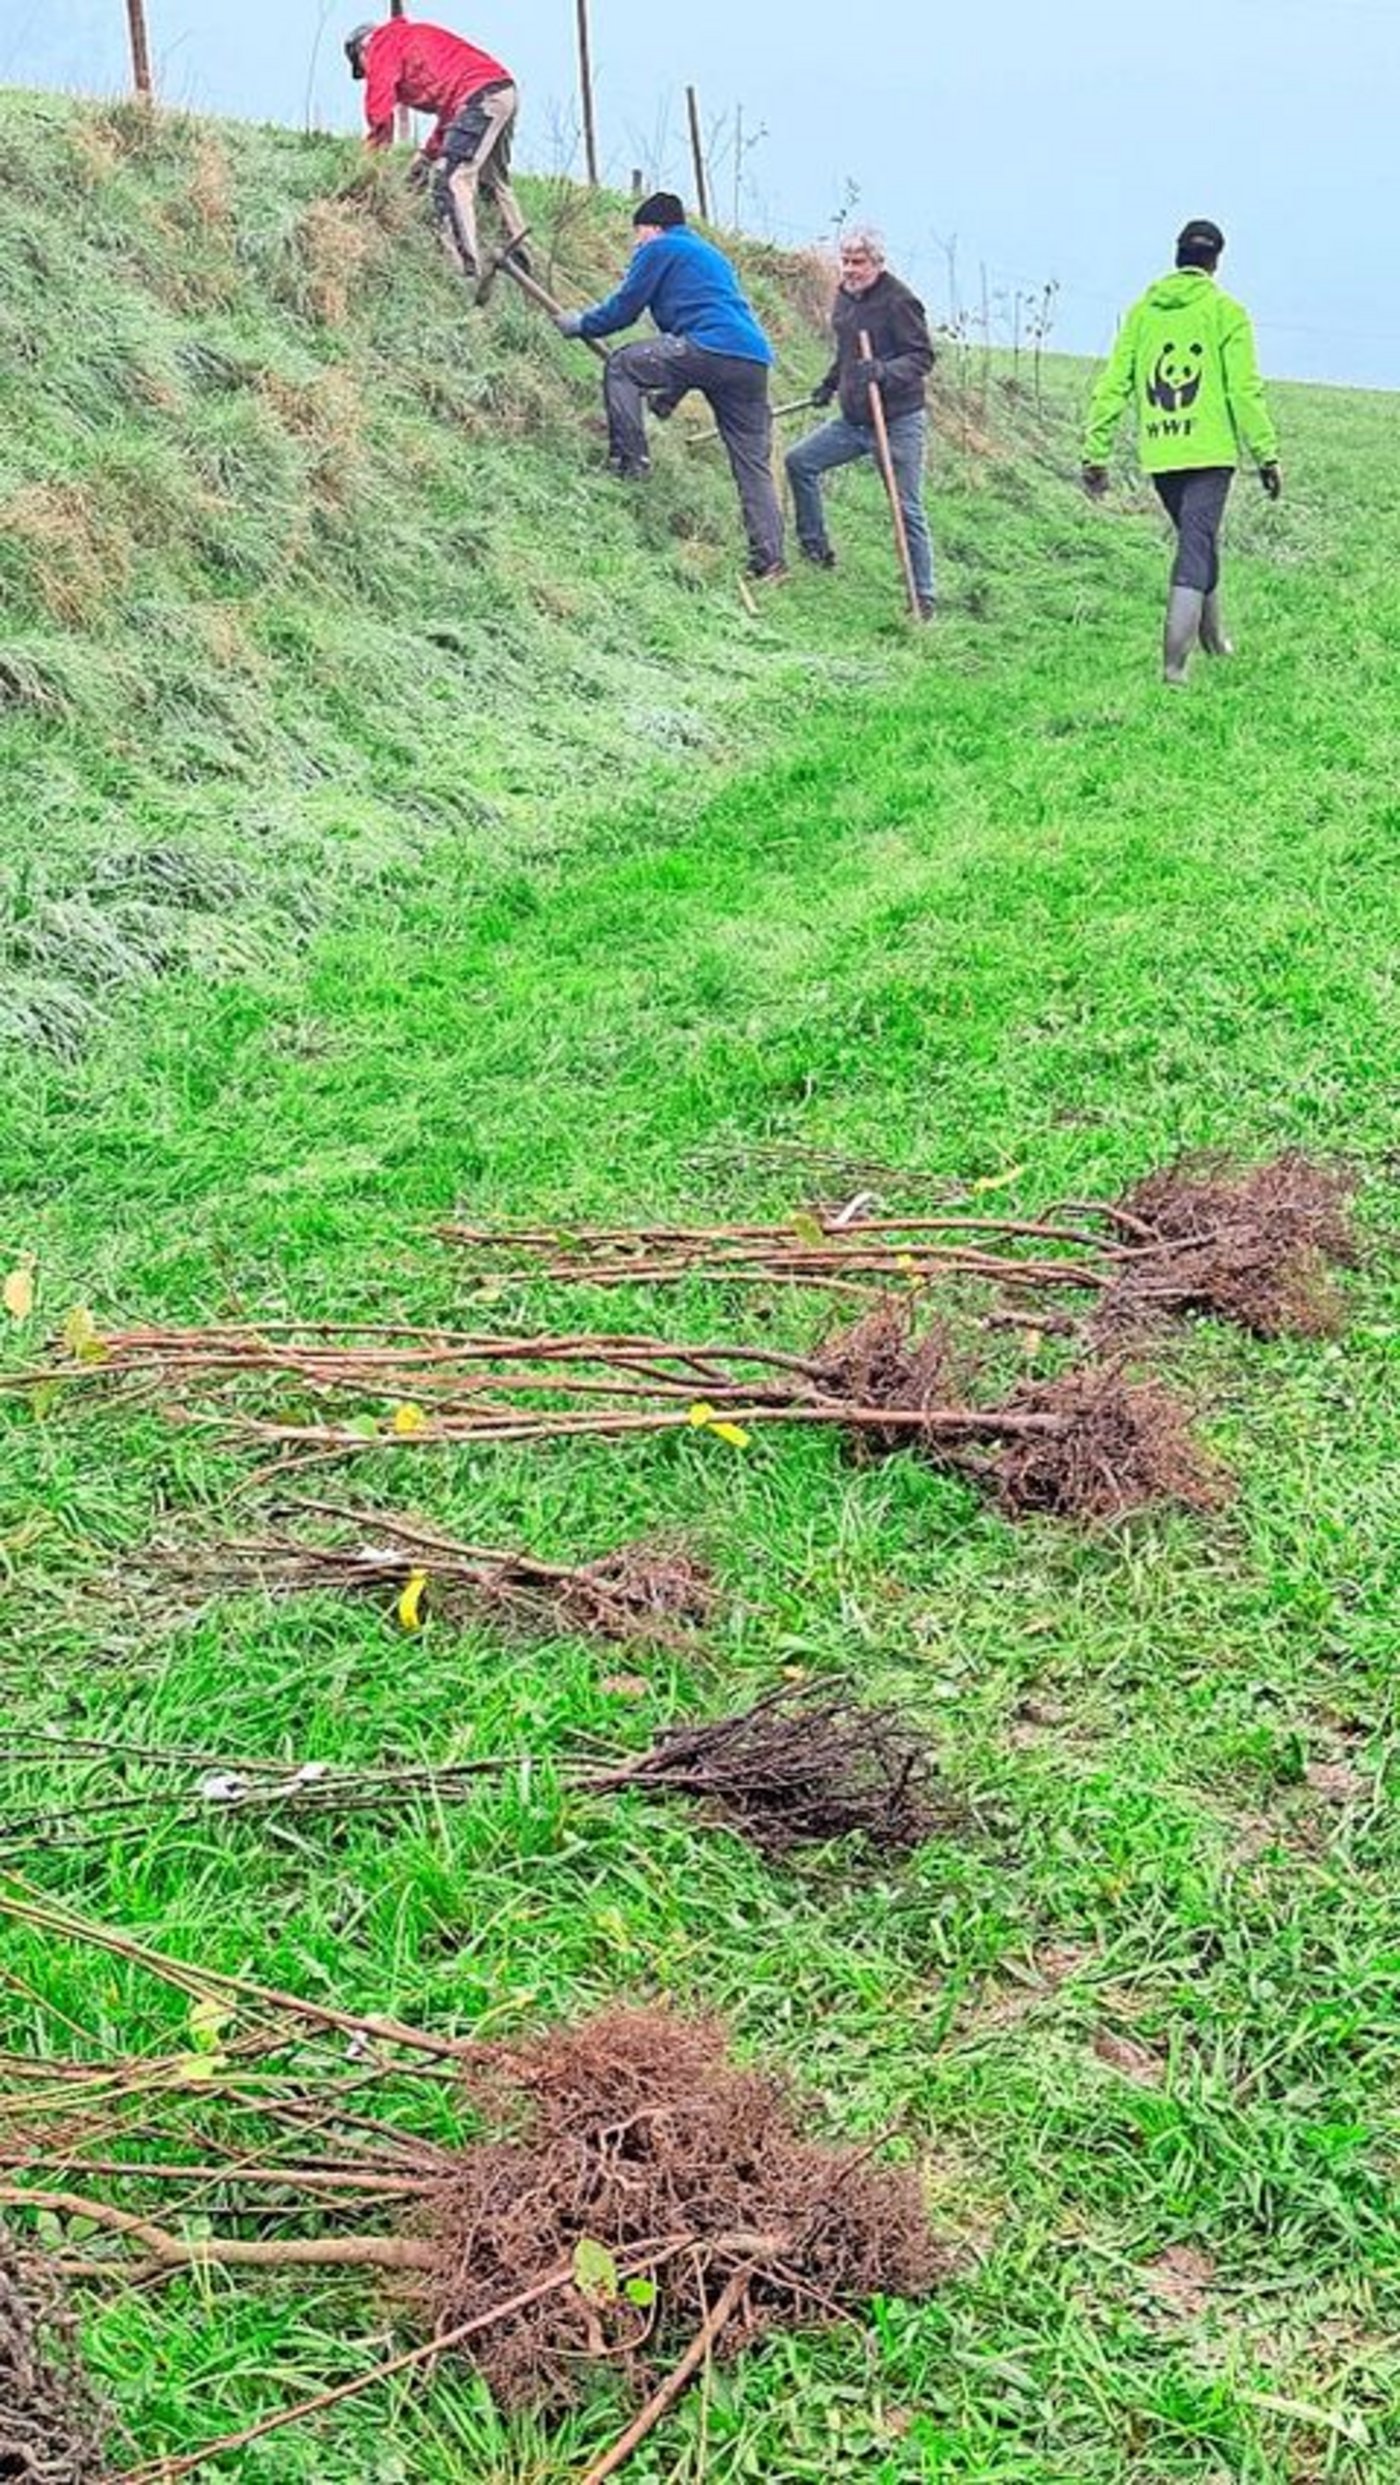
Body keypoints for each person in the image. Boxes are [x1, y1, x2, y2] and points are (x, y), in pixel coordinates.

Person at [1082, 219, 1282, 686]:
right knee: (1195, 543)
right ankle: (1174, 666)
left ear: (1178, 257)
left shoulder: (1142, 313)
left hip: (1162, 452)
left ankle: (1215, 641)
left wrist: (1097, 452)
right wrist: (1266, 455)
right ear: (1215, 262)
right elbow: (1244, 391)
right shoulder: (1226, 311)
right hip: (1210, 454)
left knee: (1199, 537)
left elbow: (1114, 385)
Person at [555, 193, 786, 583]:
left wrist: (582, 324)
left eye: (638, 233)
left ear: (655, 227)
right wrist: (667, 399)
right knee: (752, 464)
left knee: (623, 366)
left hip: (710, 347)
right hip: (751, 360)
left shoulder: (661, 247)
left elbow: (626, 307)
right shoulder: (709, 255)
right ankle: (770, 561)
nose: (636, 242)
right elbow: (696, 332)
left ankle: (631, 464)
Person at [785, 228, 936, 618]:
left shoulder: (900, 301)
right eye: (846, 261)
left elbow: (921, 358)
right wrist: (830, 382)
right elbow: (848, 350)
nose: (850, 270)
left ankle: (923, 596)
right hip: (854, 419)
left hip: (898, 420)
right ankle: (815, 548)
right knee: (799, 462)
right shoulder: (844, 298)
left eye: (858, 262)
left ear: (877, 263)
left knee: (906, 508)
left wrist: (884, 371)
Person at [345, 17, 526, 284]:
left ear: (362, 50)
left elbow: (380, 114)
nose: (367, 74)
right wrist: (425, 159)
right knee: (492, 181)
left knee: (450, 179)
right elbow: (453, 117)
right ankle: (523, 263)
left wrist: (370, 166)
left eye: (362, 69)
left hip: (479, 98)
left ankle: (465, 275)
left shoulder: (382, 43)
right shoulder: (412, 40)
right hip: (500, 91)